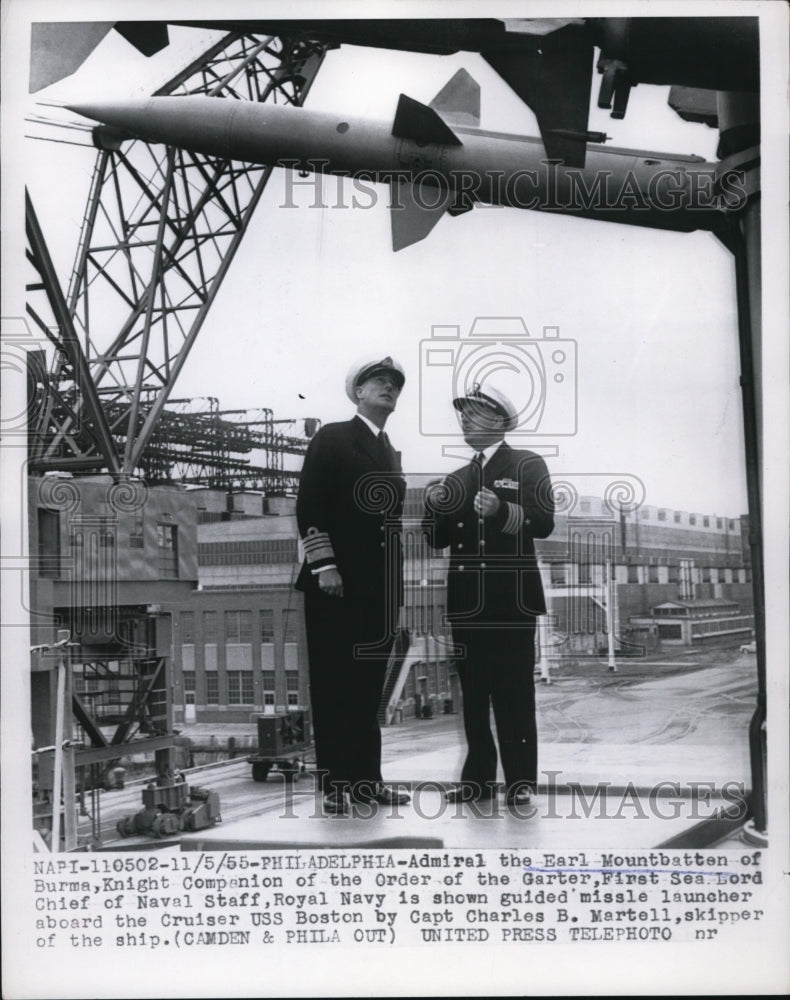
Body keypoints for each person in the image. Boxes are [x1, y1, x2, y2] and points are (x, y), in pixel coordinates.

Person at [422, 384, 554, 807]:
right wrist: (433, 507)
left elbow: (544, 522)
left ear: (498, 420)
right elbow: (437, 539)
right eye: (461, 414)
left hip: (511, 600)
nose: (464, 420)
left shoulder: (527, 464)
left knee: (514, 692)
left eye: (473, 413)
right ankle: (477, 780)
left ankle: (519, 783)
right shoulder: (457, 478)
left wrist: (501, 511)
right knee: (474, 695)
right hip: (468, 603)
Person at [295, 356, 411, 814]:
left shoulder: (388, 450)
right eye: (379, 381)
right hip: (335, 586)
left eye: (395, 384)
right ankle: (336, 785)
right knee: (334, 684)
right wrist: (325, 565)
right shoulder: (333, 437)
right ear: (357, 392)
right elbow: (310, 504)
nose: (389, 388)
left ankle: (367, 781)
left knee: (367, 687)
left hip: (377, 591)